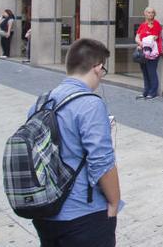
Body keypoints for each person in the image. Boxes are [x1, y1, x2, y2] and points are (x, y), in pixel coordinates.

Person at [28, 39, 121, 246]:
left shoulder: (41, 101)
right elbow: (102, 161)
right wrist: (114, 203)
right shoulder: (90, 104)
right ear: (97, 68)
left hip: (45, 210)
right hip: (83, 213)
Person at [135, 6, 163, 100]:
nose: (150, 14)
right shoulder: (142, 25)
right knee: (145, 72)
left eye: (152, 12)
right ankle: (146, 91)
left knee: (151, 71)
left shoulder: (156, 24)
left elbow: (154, 37)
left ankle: (153, 92)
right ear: (145, 14)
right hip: (143, 52)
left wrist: (142, 43)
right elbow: (137, 37)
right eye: (148, 12)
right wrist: (140, 43)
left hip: (153, 53)